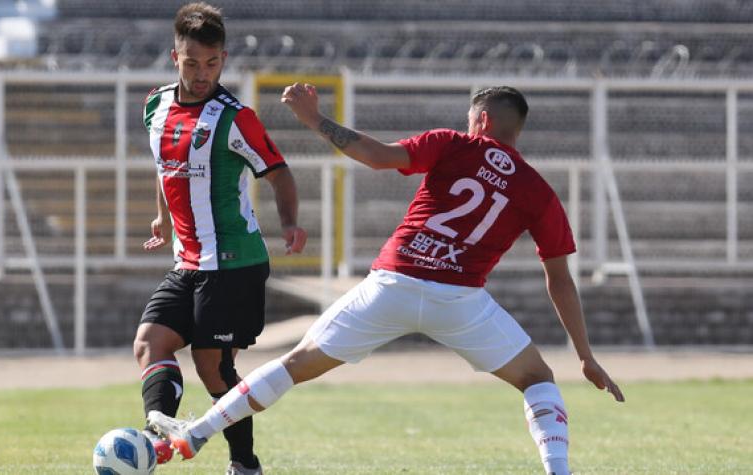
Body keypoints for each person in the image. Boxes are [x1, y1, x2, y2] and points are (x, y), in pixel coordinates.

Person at [148, 84, 624, 475]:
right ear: (515, 129)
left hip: (393, 283)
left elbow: (376, 155)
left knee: (294, 364)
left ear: (479, 121)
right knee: (538, 378)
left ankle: (195, 434)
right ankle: (558, 472)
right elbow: (559, 278)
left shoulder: (454, 144)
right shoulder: (538, 190)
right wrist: (585, 356)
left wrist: (315, 119)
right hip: (460, 300)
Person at [134, 3, 307, 475]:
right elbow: (164, 165)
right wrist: (161, 216)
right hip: (187, 261)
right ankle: (158, 431)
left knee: (213, 367)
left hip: (234, 263)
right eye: (192, 63)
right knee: (150, 342)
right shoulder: (156, 105)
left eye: (212, 63)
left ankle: (244, 465)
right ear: (176, 57)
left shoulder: (234, 117)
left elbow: (280, 175)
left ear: (223, 58)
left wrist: (289, 223)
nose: (202, 73)